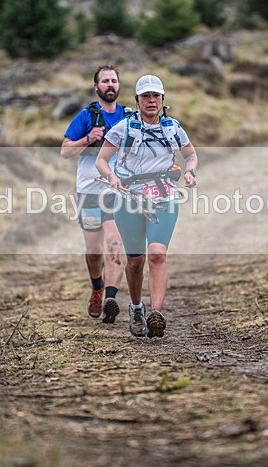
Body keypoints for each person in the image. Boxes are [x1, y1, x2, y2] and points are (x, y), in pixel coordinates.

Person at [95, 75, 198, 338]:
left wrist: (190, 172)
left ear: (163, 99)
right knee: (136, 261)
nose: (151, 101)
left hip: (164, 197)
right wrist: (112, 177)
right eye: (145, 96)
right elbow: (101, 161)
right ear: (138, 100)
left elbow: (190, 154)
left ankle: (157, 313)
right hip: (129, 198)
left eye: (156, 96)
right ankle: (137, 307)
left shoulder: (173, 128)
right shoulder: (123, 128)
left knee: (157, 254)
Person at [61, 65, 127, 323]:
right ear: (96, 87)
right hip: (88, 192)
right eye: (105, 81)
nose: (110, 85)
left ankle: (111, 298)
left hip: (116, 190)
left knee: (114, 243)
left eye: (114, 81)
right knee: (94, 249)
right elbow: (65, 151)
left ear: (119, 86)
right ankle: (97, 288)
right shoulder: (85, 116)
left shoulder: (128, 117)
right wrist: (88, 139)